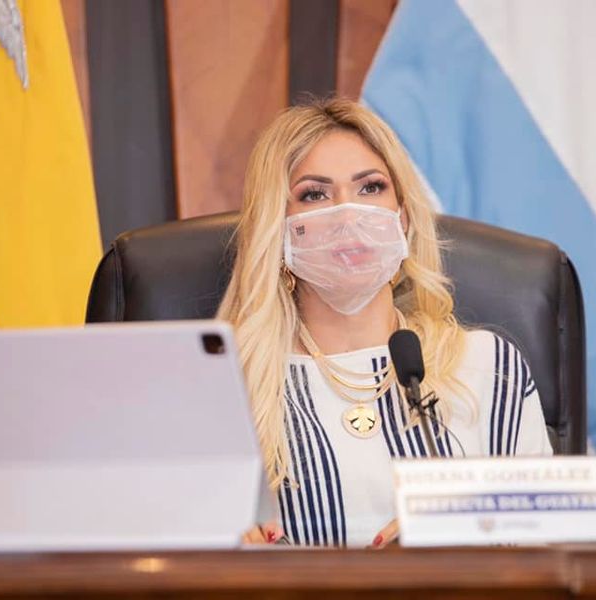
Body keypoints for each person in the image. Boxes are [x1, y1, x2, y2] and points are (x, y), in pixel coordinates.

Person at [217, 97, 552, 549]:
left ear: (404, 218)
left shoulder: (489, 367)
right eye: (314, 194)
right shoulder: (227, 386)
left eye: (371, 187)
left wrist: (468, 529)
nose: (348, 216)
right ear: (276, 229)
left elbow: (547, 547)